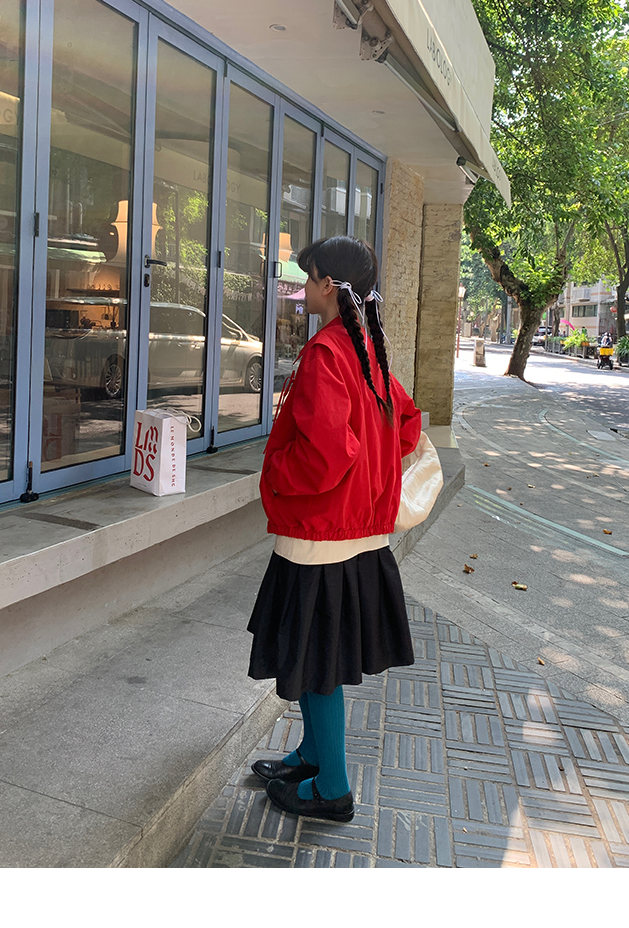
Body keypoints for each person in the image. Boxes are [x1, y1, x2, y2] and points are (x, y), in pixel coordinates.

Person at [247, 235, 422, 823]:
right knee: (317, 658)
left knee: (316, 663)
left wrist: (275, 470)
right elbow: (406, 425)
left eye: (309, 276)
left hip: (319, 536)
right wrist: (370, 478)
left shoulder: (327, 352)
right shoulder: (367, 345)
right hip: (356, 534)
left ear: (329, 286)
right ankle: (314, 757)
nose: (303, 288)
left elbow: (325, 455)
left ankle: (333, 789)